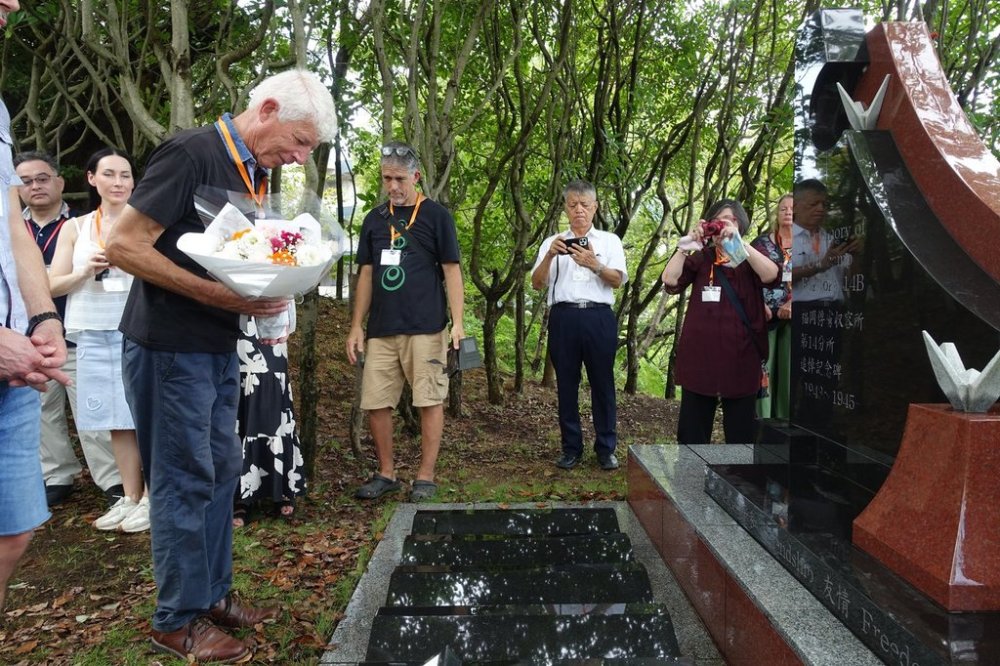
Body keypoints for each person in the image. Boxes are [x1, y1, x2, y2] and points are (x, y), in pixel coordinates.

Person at [106, 69, 336, 663]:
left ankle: (211, 595)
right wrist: (219, 296)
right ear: (267, 109)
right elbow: (123, 245)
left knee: (220, 471)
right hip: (168, 346)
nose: (301, 156)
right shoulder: (191, 152)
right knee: (184, 477)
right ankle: (175, 620)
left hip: (217, 344)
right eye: (300, 141)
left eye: (309, 148)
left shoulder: (253, 170)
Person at [1, 0, 71, 614]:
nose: (14, 4)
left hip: (13, 367)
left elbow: (12, 229)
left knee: (13, 534)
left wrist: (43, 317)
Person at [346, 140, 465, 502]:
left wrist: (458, 322)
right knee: (376, 401)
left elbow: (452, 270)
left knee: (429, 399)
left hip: (426, 326)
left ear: (416, 176)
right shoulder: (374, 220)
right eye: (387, 179)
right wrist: (356, 325)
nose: (393, 186)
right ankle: (387, 473)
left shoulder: (436, 216)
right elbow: (366, 274)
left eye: (399, 178)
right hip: (382, 328)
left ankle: (425, 477)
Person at [48, 148, 148, 532]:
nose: (118, 182)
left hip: (138, 327)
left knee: (144, 414)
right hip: (92, 328)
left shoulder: (146, 222)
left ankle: (153, 497)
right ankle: (130, 496)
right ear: (92, 178)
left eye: (125, 175)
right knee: (114, 419)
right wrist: (83, 272)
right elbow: (52, 284)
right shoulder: (76, 227)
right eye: (109, 174)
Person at [14, 151, 121, 508]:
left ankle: (113, 479)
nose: (35, 186)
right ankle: (57, 474)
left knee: (91, 407)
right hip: (25, 335)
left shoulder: (83, 225)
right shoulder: (10, 230)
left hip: (76, 331)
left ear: (60, 182)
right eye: (26, 181)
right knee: (42, 409)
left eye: (42, 178)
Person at [661, 199, 780, 444]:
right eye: (716, 221)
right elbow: (670, 280)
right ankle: (692, 469)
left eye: (729, 221)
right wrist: (685, 247)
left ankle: (738, 470)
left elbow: (771, 274)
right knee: (693, 434)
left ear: (740, 224)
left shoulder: (747, 258)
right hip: (700, 358)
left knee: (741, 435)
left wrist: (739, 243)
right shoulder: (702, 258)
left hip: (741, 357)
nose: (722, 226)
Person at [531, 179, 627, 471]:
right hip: (564, 317)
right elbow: (537, 283)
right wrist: (550, 255)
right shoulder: (553, 242)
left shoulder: (610, 241)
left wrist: (594, 264)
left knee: (603, 383)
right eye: (573, 205)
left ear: (595, 207)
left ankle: (606, 448)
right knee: (566, 384)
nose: (579, 210)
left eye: (585, 204)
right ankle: (571, 448)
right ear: (565, 208)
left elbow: (618, 280)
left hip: (598, 316)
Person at [233, 316, 305, 528]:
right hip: (235, 314)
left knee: (271, 386)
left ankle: (281, 486)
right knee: (239, 392)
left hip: (272, 312)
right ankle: (239, 494)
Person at [751, 193, 793, 420]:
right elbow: (747, 277)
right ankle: (763, 424)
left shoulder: (809, 245)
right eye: (783, 208)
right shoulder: (761, 244)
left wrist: (793, 302)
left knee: (788, 371)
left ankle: (785, 421)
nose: (788, 212)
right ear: (777, 214)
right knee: (763, 368)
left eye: (792, 209)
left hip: (793, 316)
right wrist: (759, 304)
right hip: (765, 315)